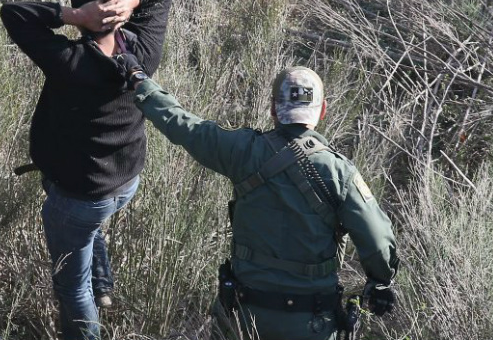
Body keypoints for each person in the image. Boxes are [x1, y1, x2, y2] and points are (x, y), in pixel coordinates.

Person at [114, 58, 400, 340]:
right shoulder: (340, 171)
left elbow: (183, 125)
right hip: (311, 322)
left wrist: (140, 81)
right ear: (322, 110)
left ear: (273, 108)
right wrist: (381, 282)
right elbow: (376, 239)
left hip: (243, 317)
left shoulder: (242, 151)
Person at [0, 0, 174, 340]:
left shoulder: (69, 61)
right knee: (89, 228)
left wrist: (71, 14)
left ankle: (90, 313)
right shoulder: (144, 48)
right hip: (124, 182)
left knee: (72, 289)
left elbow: (12, 12)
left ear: (84, 17)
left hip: (78, 195)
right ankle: (104, 287)